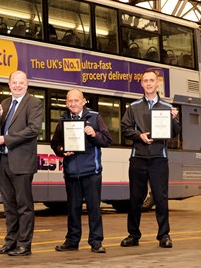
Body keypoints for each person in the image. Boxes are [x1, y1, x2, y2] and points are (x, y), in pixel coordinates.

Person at [120, 68, 180, 249]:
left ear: (157, 83)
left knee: (161, 198)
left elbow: (175, 133)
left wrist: (174, 120)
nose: (148, 83)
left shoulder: (169, 108)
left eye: (151, 80)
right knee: (135, 198)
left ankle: (164, 235)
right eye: (145, 81)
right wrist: (139, 136)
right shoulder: (133, 107)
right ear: (142, 84)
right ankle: (133, 235)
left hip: (158, 159)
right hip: (138, 158)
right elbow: (124, 129)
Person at [50, 89, 112, 253]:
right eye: (70, 101)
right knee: (73, 209)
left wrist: (94, 134)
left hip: (91, 172)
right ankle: (72, 241)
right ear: (66, 103)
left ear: (84, 101)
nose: (73, 104)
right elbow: (54, 144)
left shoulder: (95, 117)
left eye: (76, 100)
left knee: (94, 209)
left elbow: (107, 140)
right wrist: (61, 149)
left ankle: (96, 242)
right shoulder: (63, 119)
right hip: (71, 173)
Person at [0, 70, 43, 256]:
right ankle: (10, 242)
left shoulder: (34, 103)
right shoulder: (5, 104)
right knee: (9, 206)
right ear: (9, 84)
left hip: (22, 162)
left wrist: (8, 139)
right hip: (2, 161)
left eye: (21, 83)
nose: (18, 86)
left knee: (24, 206)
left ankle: (24, 244)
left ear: (27, 84)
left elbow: (33, 129)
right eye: (14, 82)